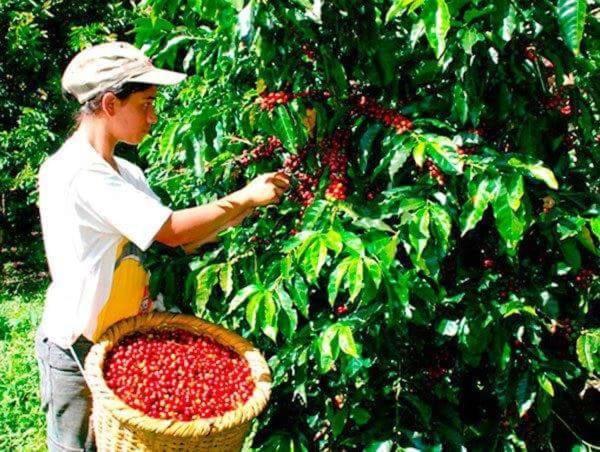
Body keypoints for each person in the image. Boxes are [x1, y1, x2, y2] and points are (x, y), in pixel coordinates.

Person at [34, 41, 290, 452]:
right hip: (76, 345)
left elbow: (175, 242)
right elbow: (171, 229)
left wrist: (249, 212)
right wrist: (244, 197)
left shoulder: (126, 173)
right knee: (74, 447)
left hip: (122, 336)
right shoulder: (78, 172)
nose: (153, 117)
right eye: (146, 104)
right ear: (111, 104)